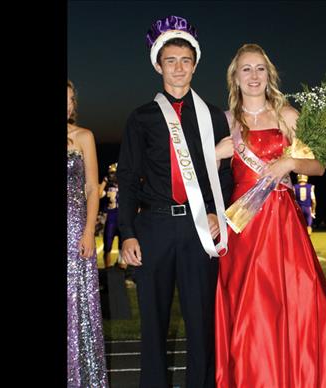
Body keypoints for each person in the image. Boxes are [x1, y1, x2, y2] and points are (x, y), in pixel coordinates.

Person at [215, 44, 326, 388]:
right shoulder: (224, 121)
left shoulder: (288, 116)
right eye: (246, 69)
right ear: (235, 78)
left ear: (269, 75)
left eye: (260, 69)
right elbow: (202, 169)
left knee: (295, 302)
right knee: (248, 307)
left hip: (282, 223)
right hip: (243, 226)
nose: (253, 76)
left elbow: (320, 166)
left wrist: (291, 163)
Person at [117, 15, 233, 388]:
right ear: (158, 65)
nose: (179, 67)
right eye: (171, 60)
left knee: (201, 325)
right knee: (154, 325)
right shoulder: (141, 118)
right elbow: (127, 179)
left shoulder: (214, 116)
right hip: (154, 228)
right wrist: (128, 233)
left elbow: (225, 173)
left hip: (199, 229)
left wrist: (217, 211)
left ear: (195, 65)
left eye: (186, 60)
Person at [67, 80, 108, 387]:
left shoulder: (83, 137)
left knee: (77, 305)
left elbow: (92, 188)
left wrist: (88, 231)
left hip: (74, 231)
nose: (66, 105)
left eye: (70, 100)